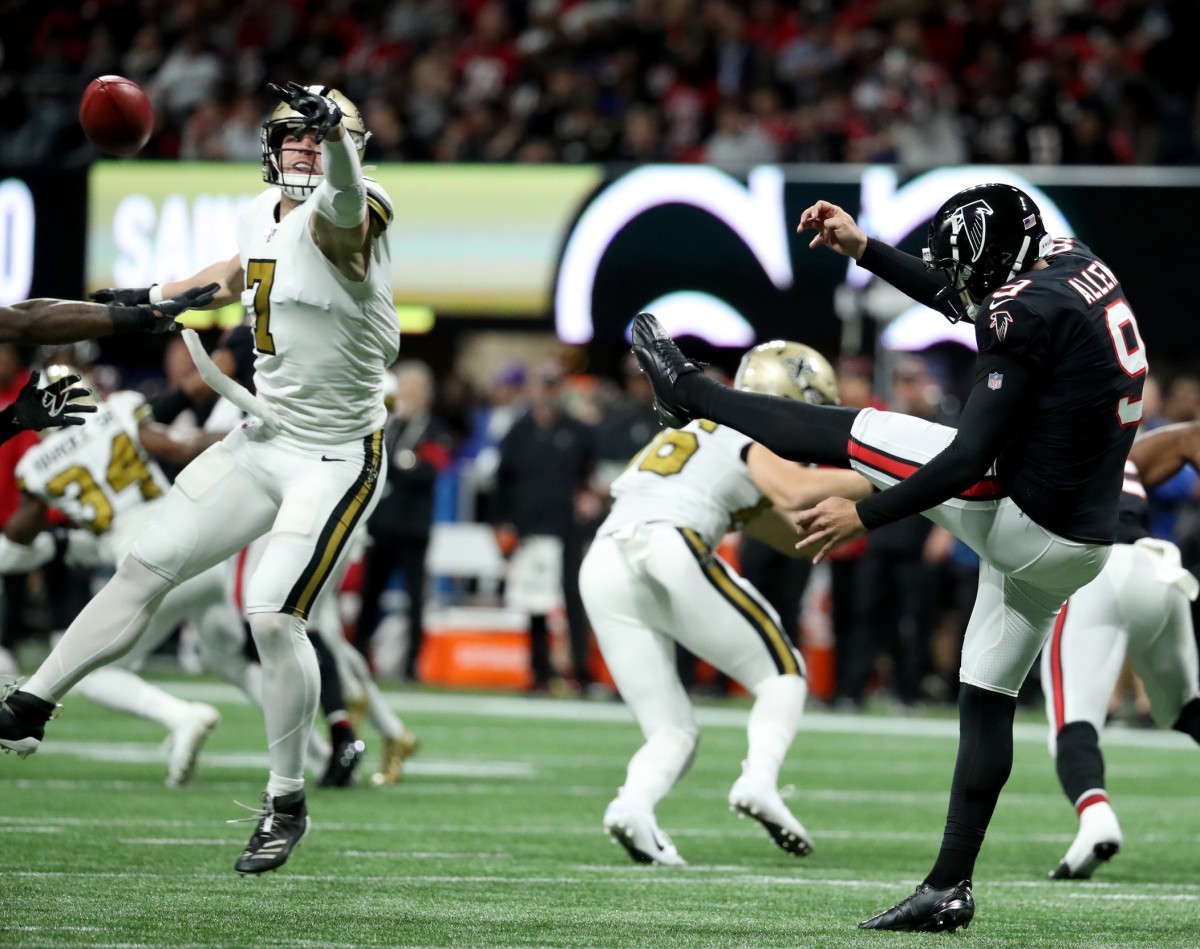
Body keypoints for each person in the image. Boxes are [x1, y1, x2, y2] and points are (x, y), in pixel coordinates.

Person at [632, 182, 1144, 932]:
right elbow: (967, 294)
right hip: (1082, 541)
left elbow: (968, 455)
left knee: (862, 432)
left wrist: (863, 511)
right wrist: (864, 248)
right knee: (986, 694)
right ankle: (948, 887)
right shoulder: (1070, 264)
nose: (962, 286)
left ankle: (690, 391)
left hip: (1026, 520)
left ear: (1000, 261)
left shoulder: (1021, 309)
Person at [0, 80, 398, 875]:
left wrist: (341, 148)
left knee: (271, 613)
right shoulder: (260, 213)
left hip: (337, 454)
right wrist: (154, 297)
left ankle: (287, 798)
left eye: (320, 138)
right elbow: (233, 272)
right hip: (262, 436)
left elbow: (345, 212)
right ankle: (30, 703)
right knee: (144, 564)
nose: (305, 150)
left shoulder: (360, 204)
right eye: (296, 135)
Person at [582, 340, 855, 866]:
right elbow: (797, 489)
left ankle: (633, 804)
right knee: (784, 673)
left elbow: (789, 533)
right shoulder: (747, 424)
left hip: (606, 556)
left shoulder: (699, 426)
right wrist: (895, 473)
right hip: (670, 541)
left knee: (672, 727)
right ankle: (759, 780)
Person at [0, 365, 254, 787]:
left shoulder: (35, 465)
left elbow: (19, 535)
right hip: (197, 545)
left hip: (143, 561)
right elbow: (177, 447)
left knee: (92, 674)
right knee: (236, 661)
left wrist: (42, 510)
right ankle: (314, 754)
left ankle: (182, 715)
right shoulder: (119, 409)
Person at [1039, 451, 1200, 880]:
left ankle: (1096, 820)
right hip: (1157, 566)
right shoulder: (1117, 432)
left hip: (1092, 568)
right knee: (1187, 709)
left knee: (1072, 722)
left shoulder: (1035, 427)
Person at [493, 359, 595, 693]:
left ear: (561, 388)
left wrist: (592, 497)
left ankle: (579, 672)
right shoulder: (518, 432)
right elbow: (501, 483)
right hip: (529, 532)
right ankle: (539, 674)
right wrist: (500, 524)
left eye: (553, 384)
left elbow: (593, 478)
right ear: (533, 388)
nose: (548, 391)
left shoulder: (579, 431)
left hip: (567, 530)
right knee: (534, 604)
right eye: (543, 384)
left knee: (574, 601)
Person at [354, 360, 453, 680]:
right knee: (370, 595)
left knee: (414, 599)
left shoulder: (434, 429)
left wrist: (403, 463)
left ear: (425, 396)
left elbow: (429, 469)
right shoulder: (389, 426)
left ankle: (412, 665)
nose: (406, 398)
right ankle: (357, 656)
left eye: (412, 392)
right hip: (381, 524)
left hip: (413, 527)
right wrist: (405, 462)